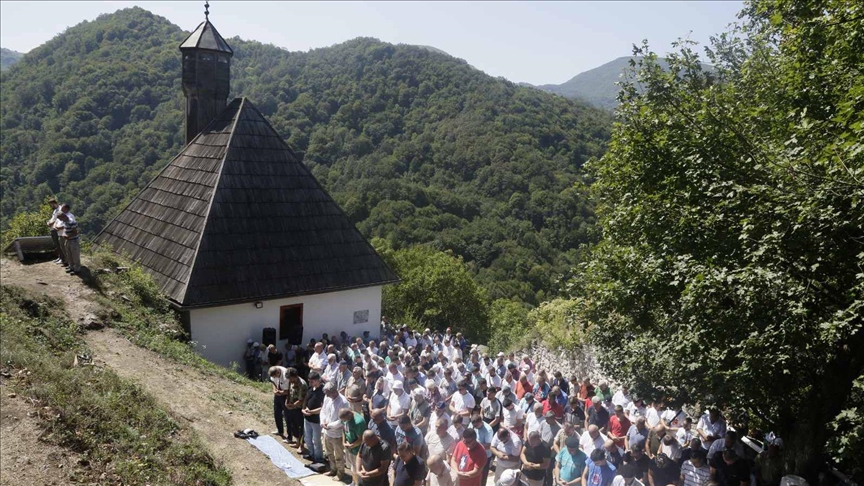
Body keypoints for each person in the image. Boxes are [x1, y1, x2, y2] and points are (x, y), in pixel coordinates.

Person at [322, 382, 350, 479]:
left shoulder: (343, 402)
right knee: (329, 453)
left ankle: (340, 473)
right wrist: (322, 421)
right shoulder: (327, 398)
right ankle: (332, 469)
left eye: (328, 393)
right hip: (327, 432)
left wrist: (329, 425)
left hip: (337, 434)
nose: (327, 396)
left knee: (338, 455)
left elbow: (342, 420)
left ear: (334, 391)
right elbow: (323, 410)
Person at [303, 371, 326, 463]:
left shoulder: (323, 391)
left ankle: (318, 457)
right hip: (307, 418)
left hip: (316, 420)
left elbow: (323, 408)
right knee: (307, 438)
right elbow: (305, 399)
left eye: (312, 381)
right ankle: (311, 454)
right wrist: (303, 409)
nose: (310, 383)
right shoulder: (310, 388)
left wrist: (311, 412)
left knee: (316, 440)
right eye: (309, 381)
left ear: (317, 380)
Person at [343, 408, 369, 486]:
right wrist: (344, 442)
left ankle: (357, 484)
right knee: (352, 467)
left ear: (349, 414)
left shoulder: (358, 422)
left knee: (357, 468)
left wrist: (352, 445)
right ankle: (353, 482)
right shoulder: (344, 417)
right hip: (349, 448)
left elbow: (361, 438)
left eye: (345, 419)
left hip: (357, 450)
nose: (345, 421)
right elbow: (343, 430)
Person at [285, 367, 308, 448]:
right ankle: (297, 441)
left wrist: (293, 406)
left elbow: (301, 400)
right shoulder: (291, 382)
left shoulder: (302, 384)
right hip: (292, 407)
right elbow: (289, 392)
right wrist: (287, 401)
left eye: (291, 378)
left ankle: (301, 444)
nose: (290, 381)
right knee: (293, 425)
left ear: (295, 376)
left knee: (300, 427)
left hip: (299, 408)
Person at [268, 365, 291, 441]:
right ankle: (280, 430)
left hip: (286, 395)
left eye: (275, 376)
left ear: (278, 372)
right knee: (277, 412)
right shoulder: (274, 372)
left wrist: (281, 392)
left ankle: (289, 435)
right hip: (278, 394)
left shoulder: (286, 375)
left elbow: (289, 390)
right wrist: (274, 390)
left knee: (287, 415)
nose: (274, 378)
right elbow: (273, 382)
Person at [57, 210, 81, 275]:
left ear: (63, 216)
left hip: (73, 240)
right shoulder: (65, 222)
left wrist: (68, 236)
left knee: (75, 255)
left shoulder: (71, 222)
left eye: (60, 218)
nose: (60, 220)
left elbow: (75, 232)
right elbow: (65, 229)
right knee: (69, 254)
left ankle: (77, 269)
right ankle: (71, 267)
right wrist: (64, 234)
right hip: (68, 240)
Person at [46, 198, 65, 266]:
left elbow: (58, 219)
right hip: (52, 229)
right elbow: (53, 218)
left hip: (56, 229)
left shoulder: (60, 209)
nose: (51, 206)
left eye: (51, 205)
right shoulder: (55, 211)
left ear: (54, 203)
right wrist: (48, 222)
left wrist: (51, 223)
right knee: (56, 244)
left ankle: (63, 258)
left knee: (59, 244)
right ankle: (60, 257)